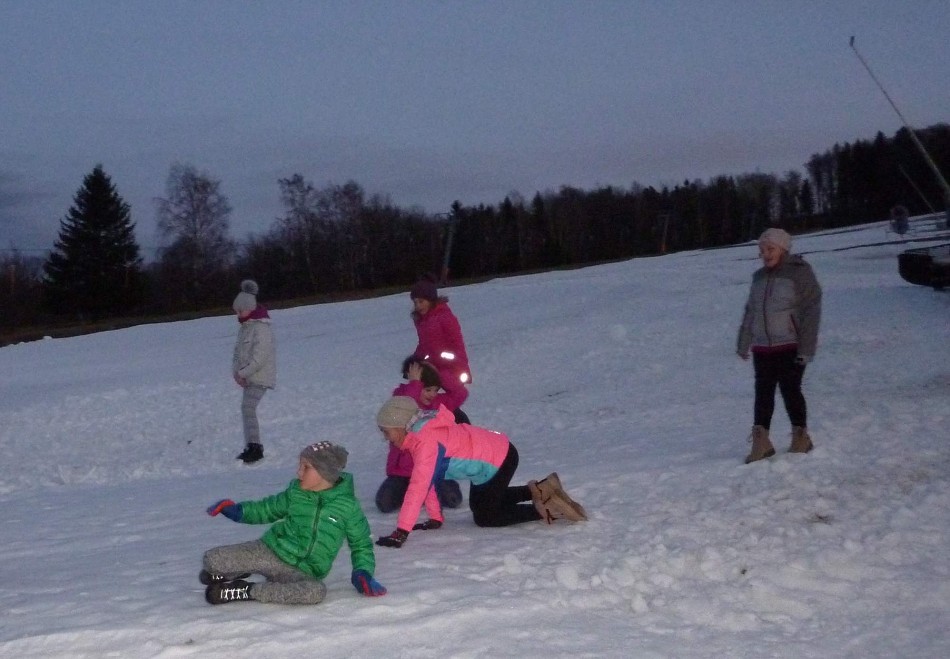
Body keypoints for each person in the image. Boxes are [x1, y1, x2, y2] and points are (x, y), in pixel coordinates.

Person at [373, 396, 587, 549]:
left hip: (499, 459)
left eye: (386, 431)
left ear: (400, 425)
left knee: (486, 516)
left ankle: (547, 508)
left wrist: (401, 531)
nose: (385, 437)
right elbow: (428, 480)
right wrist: (435, 518)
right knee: (483, 505)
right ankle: (540, 489)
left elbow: (418, 487)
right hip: (491, 460)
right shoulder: (420, 434)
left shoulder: (424, 442)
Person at [201, 441, 386, 604]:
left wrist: (363, 572)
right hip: (271, 551)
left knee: (315, 592)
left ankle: (246, 590)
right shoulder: (295, 493)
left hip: (303, 571)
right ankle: (234, 571)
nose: (299, 473)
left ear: (324, 473)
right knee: (212, 560)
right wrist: (238, 511)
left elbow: (361, 544)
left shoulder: (348, 507)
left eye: (306, 467)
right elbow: (267, 509)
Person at [737, 228, 822, 464]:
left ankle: (801, 435)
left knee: (790, 389)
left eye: (770, 249)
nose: (765, 254)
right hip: (763, 347)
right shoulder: (759, 277)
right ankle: (761, 442)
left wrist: (806, 348)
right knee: (762, 393)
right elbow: (751, 311)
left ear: (783, 249)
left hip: (790, 345)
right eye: (762, 250)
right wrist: (744, 342)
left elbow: (810, 313)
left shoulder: (800, 273)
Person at [375, 357, 468, 514]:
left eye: (435, 390)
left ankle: (424, 492)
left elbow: (460, 393)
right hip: (404, 474)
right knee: (384, 504)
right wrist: (415, 384)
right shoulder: (401, 402)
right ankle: (415, 492)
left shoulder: (439, 404)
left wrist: (439, 372)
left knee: (453, 499)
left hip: (433, 470)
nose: (432, 394)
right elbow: (409, 402)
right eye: (427, 389)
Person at [231, 279, 276, 464]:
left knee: (248, 408)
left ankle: (256, 448)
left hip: (260, 377)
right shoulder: (245, 328)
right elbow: (237, 353)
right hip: (249, 377)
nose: (238, 315)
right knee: (247, 410)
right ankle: (252, 445)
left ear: (249, 307)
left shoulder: (261, 328)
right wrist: (237, 373)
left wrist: (243, 373)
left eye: (241, 311)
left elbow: (260, 357)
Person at [409, 275, 472, 387]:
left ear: (431, 300)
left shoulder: (444, 317)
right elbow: (423, 344)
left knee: (453, 398)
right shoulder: (421, 321)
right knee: (425, 396)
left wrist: (461, 368)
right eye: (415, 302)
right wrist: (414, 361)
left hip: (450, 367)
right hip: (433, 366)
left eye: (421, 301)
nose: (418, 306)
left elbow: (457, 344)